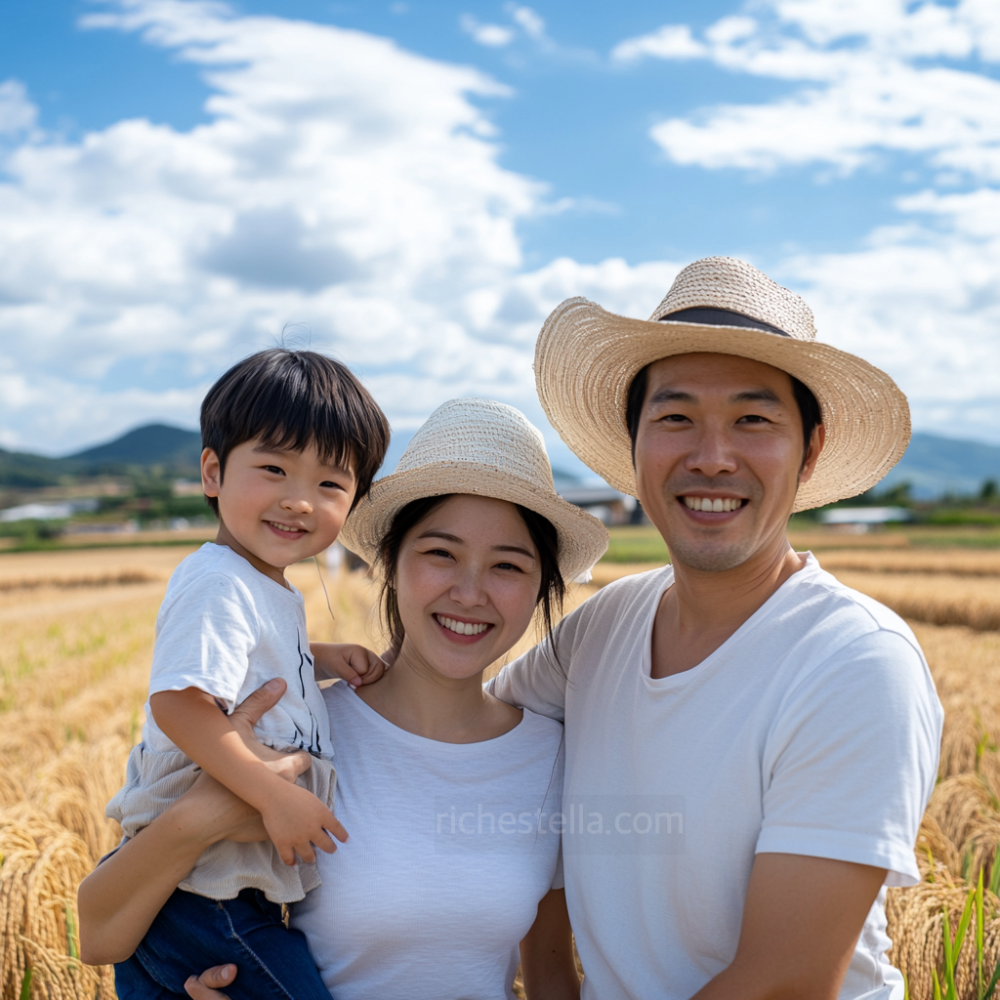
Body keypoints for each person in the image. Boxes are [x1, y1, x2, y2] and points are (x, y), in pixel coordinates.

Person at [488, 256, 944, 999]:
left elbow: (784, 982)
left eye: (753, 420)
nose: (712, 457)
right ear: (633, 445)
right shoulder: (598, 633)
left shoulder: (855, 662)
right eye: (674, 418)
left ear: (812, 449)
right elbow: (479, 741)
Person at [79, 398, 609, 1000]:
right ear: (387, 561)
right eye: (441, 553)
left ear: (542, 586)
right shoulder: (298, 732)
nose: (470, 592)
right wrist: (206, 814)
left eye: (508, 566)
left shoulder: (553, 757)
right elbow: (99, 934)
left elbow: (549, 978)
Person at [105, 347, 390, 999]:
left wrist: (319, 657)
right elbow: (180, 704)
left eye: (329, 484)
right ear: (212, 472)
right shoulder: (218, 582)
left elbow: (242, 665)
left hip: (217, 889)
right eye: (273, 469)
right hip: (204, 894)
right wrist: (274, 795)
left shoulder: (260, 586)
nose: (298, 501)